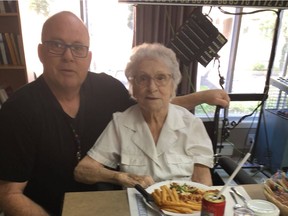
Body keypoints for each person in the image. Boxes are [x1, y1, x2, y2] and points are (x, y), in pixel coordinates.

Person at [0, 11, 229, 216]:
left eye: (78, 48)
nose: (68, 56)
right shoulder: (18, 111)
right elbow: (8, 194)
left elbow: (153, 101)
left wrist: (200, 97)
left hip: (109, 205)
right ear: (41, 52)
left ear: (88, 57)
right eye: (57, 45)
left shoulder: (106, 89)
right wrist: (121, 178)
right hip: (51, 209)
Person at [74, 43, 214, 189]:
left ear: (173, 85)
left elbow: (203, 182)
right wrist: (120, 177)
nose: (152, 87)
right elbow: (82, 171)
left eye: (160, 78)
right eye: (143, 78)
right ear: (133, 87)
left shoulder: (192, 125)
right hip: (136, 205)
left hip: (182, 206)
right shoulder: (121, 123)